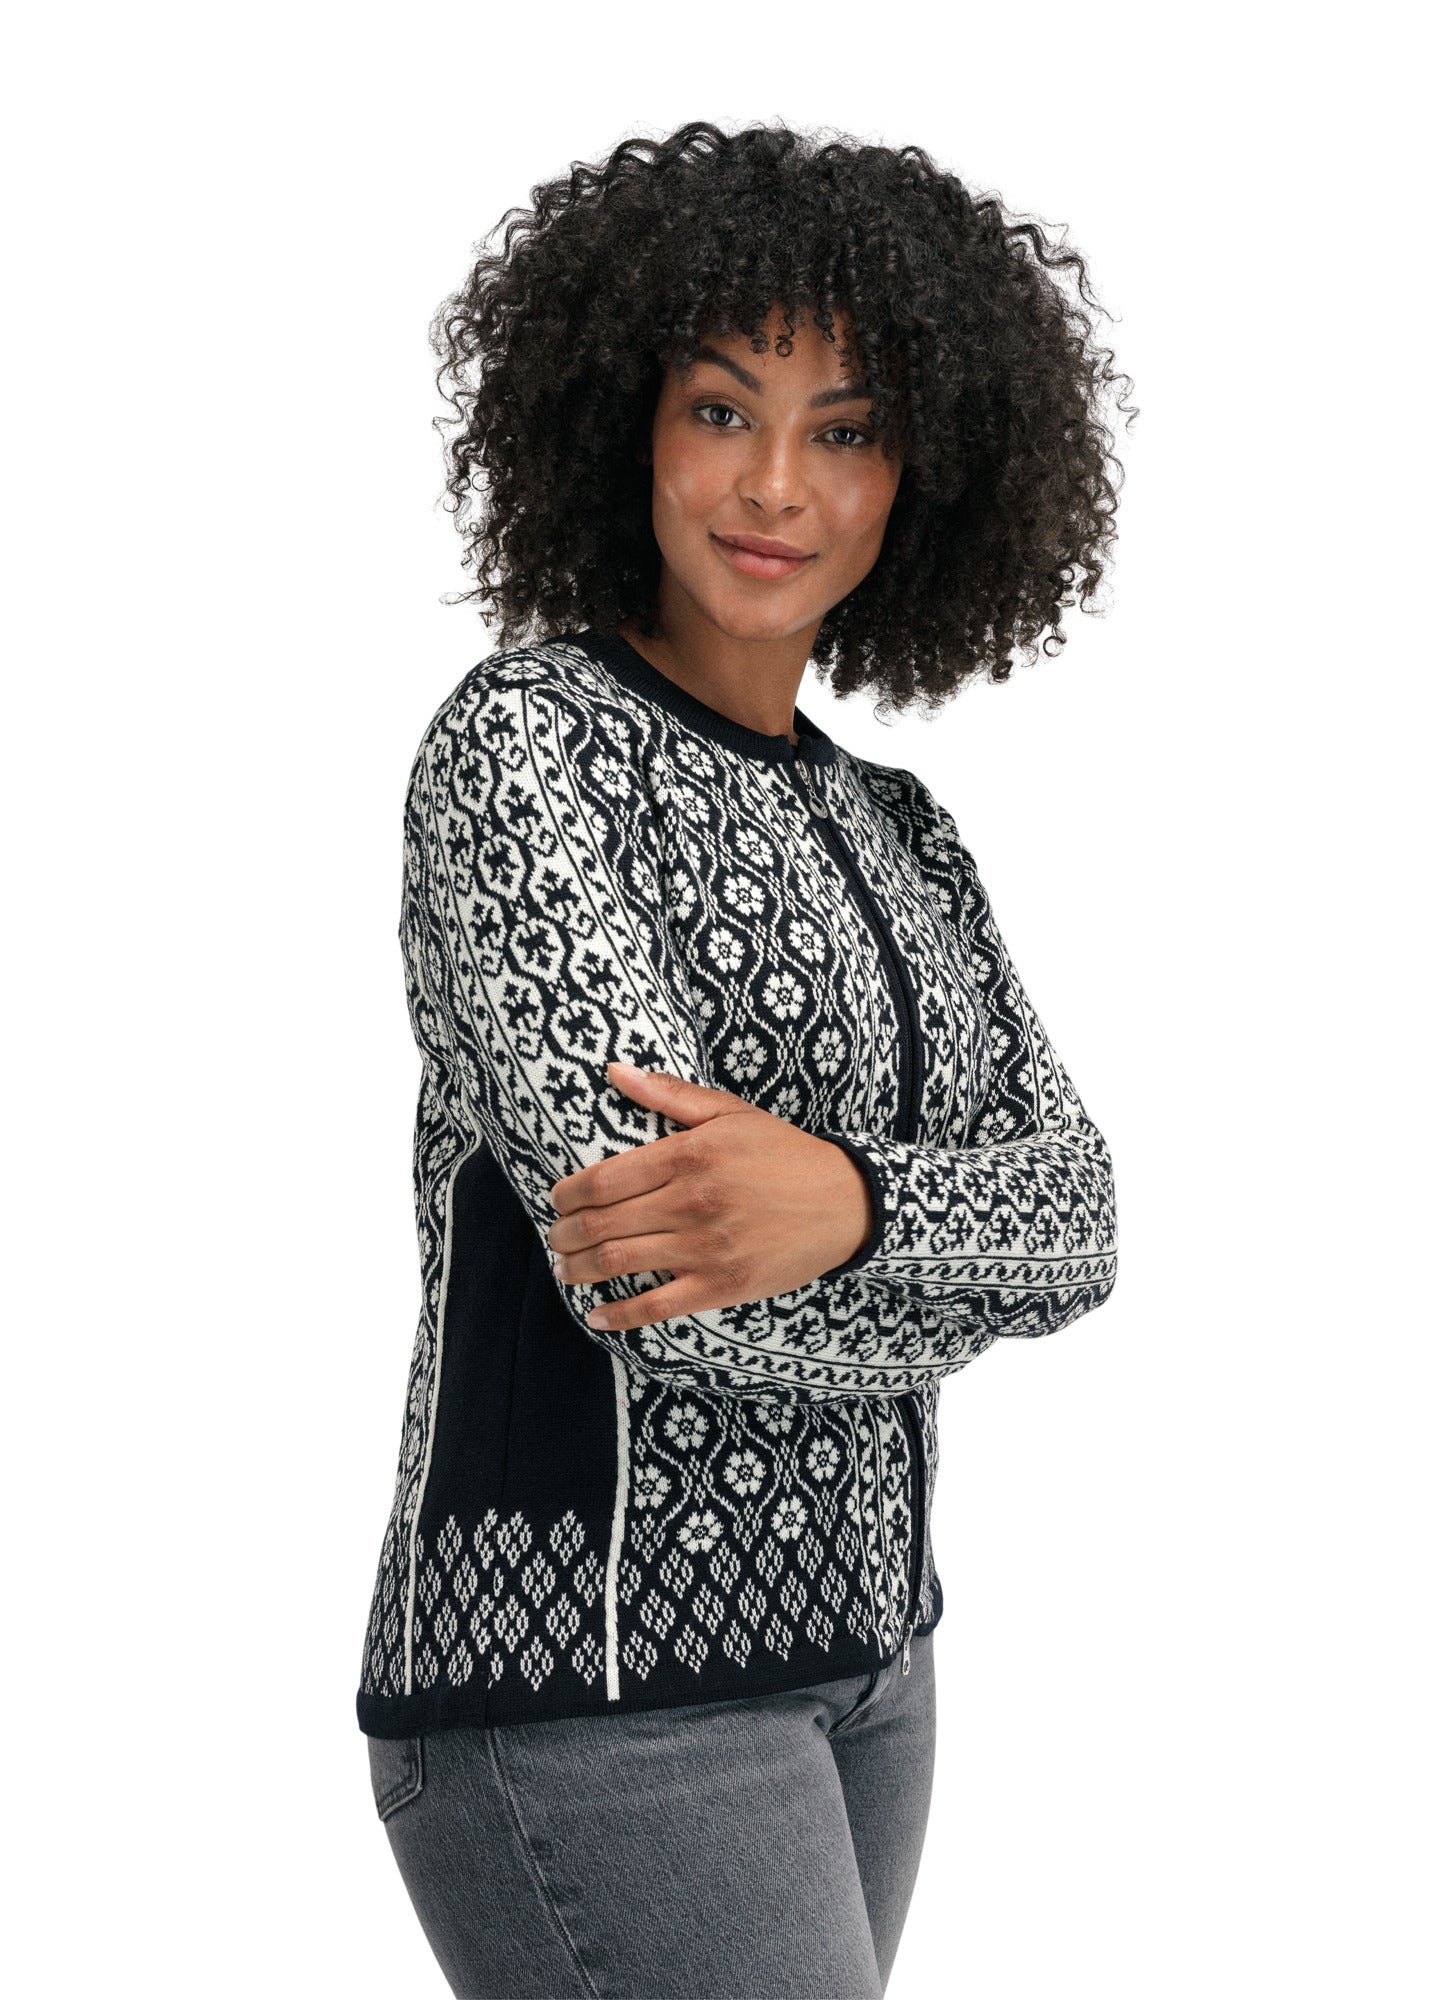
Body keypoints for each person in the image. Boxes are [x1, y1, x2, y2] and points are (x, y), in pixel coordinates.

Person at [356, 119, 1128, 2000]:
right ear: (625, 425)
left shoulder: (903, 830)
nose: (777, 486)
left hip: (877, 1664)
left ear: (919, 479)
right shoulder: (525, 752)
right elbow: (657, 1279)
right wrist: (937, 1258)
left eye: (846, 431)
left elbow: (1085, 1220)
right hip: (593, 1687)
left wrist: (844, 1205)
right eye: (722, 411)